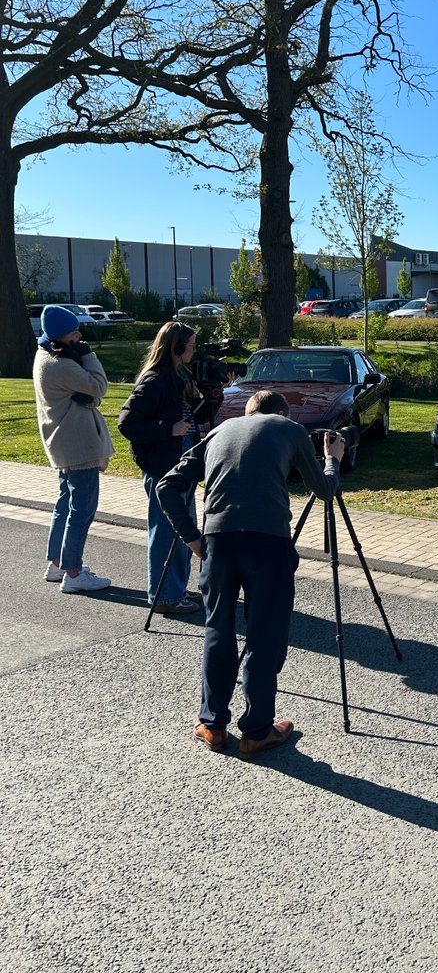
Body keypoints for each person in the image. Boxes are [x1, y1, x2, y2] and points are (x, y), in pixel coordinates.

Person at [156, 390, 345, 757]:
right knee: (263, 633)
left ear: (248, 413)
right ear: (281, 412)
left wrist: (192, 538)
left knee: (218, 628)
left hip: (217, 542)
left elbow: (167, 485)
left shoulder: (220, 431)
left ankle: (212, 725)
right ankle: (257, 732)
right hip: (267, 543)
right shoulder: (288, 428)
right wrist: (332, 460)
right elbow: (324, 490)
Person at [117, 321, 203, 614]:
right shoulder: (154, 380)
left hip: (182, 465)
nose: (194, 349)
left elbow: (194, 414)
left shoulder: (179, 375)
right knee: (167, 532)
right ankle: (164, 596)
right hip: (163, 469)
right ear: (177, 347)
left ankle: (175, 588)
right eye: (190, 344)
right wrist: (169, 428)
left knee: (184, 531)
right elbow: (127, 424)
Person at [33, 305, 114, 593]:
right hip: (79, 446)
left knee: (65, 505)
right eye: (74, 332)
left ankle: (57, 564)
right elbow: (99, 386)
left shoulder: (44, 356)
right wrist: (88, 354)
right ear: (60, 336)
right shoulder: (62, 364)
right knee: (82, 510)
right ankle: (74, 572)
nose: (79, 335)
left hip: (62, 443)